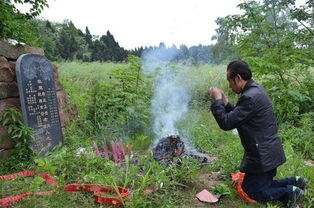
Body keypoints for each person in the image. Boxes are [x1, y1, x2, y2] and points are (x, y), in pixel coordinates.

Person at [209, 61, 307, 208]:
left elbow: (226, 123)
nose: (229, 86)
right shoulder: (255, 90)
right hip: (268, 152)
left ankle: (289, 193)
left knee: (252, 191)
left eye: (230, 81)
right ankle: (296, 182)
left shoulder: (249, 97)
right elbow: (240, 115)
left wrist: (217, 102)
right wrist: (225, 103)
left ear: (238, 78)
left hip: (262, 156)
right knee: (263, 184)